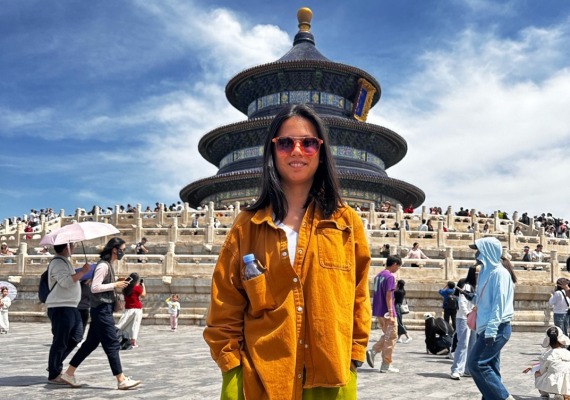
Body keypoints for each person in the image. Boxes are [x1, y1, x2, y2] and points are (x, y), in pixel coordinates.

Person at [203, 104, 372, 399]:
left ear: (321, 153)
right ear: (272, 151)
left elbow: (359, 296)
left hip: (331, 380)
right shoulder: (248, 226)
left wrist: (354, 355)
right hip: (262, 380)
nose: (297, 151)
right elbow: (225, 303)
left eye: (308, 143)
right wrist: (232, 369)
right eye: (285, 143)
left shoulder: (346, 223)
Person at [62, 237, 141, 390]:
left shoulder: (108, 266)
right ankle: (121, 379)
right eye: (122, 249)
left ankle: (69, 373)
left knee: (90, 344)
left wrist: (116, 283)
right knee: (112, 343)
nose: (123, 252)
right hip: (101, 311)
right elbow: (95, 287)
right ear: (114, 249)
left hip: (103, 310)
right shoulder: (103, 266)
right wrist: (115, 284)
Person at [467, 237, 516, 400]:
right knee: (491, 367)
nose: (477, 253)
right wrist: (472, 297)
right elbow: (485, 300)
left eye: (479, 249)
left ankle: (505, 398)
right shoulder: (484, 273)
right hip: (486, 327)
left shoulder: (500, 273)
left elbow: (498, 304)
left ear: (488, 251)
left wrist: (491, 330)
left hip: (496, 327)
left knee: (477, 364)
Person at [45, 243, 92, 386]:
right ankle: (54, 373)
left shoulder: (65, 262)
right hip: (61, 306)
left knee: (76, 336)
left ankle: (55, 363)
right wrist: (83, 272)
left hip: (71, 306)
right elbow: (65, 282)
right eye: (73, 245)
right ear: (66, 248)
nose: (75, 247)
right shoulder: (58, 263)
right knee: (60, 340)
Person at [367, 255, 402, 373]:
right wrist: (391, 313)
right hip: (387, 311)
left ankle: (374, 352)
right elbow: (389, 296)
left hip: (379, 311)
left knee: (387, 335)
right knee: (392, 337)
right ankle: (385, 363)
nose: (398, 269)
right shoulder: (390, 277)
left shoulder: (378, 276)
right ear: (395, 264)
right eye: (398, 266)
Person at [532, 326, 570, 400]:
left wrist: (536, 372)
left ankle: (544, 395)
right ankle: (560, 394)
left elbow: (542, 370)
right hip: (567, 382)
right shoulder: (568, 353)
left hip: (552, 382)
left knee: (538, 375)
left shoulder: (547, 354)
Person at [450, 278, 475, 380]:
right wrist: (468, 313)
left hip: (475, 317)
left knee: (472, 345)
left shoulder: (481, 285)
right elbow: (462, 302)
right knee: (463, 344)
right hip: (464, 318)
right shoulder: (467, 286)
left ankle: (468, 369)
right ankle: (456, 369)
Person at [115, 272, 146, 347]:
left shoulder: (125, 287)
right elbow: (143, 295)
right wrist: (143, 286)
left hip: (128, 308)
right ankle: (133, 341)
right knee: (135, 325)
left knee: (121, 323)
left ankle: (113, 336)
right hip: (137, 308)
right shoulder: (137, 288)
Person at [395, 280, 412, 344]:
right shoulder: (403, 291)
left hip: (397, 306)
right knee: (399, 321)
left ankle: (408, 336)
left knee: (399, 322)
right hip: (399, 306)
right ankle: (399, 338)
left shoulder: (397, 292)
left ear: (399, 285)